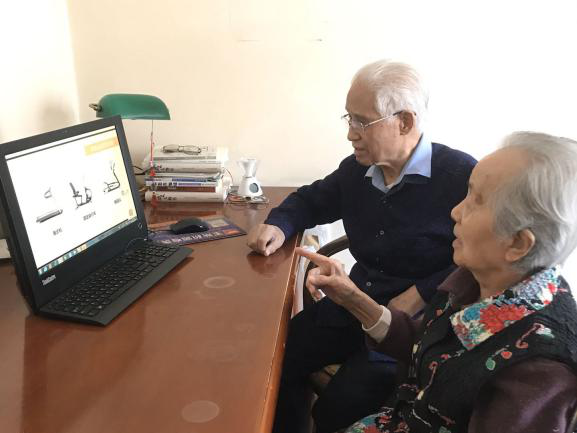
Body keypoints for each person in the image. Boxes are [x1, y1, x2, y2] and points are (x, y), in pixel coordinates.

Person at [247, 60, 477, 433]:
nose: (350, 134)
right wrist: (279, 223)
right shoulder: (356, 170)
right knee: (272, 360)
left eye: (362, 122)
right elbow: (311, 200)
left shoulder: (461, 176)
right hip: (351, 304)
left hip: (412, 329)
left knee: (339, 408)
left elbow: (479, 261)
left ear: (405, 121)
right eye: (348, 119)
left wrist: (422, 292)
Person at [298, 131, 577, 433]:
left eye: (476, 201)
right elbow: (432, 348)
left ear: (518, 243)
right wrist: (352, 298)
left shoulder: (537, 372)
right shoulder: (474, 280)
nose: (456, 211)